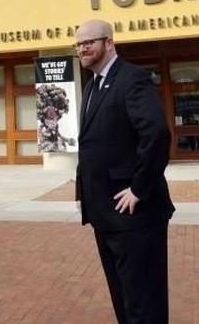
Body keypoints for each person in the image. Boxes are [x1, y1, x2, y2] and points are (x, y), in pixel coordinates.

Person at [73, 19, 173, 324]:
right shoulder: (92, 85)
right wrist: (82, 192)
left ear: (109, 43)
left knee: (144, 302)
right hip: (104, 214)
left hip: (134, 215)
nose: (83, 48)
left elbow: (156, 134)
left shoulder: (132, 78)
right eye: (78, 44)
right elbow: (89, 144)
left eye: (89, 42)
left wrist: (139, 189)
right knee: (123, 299)